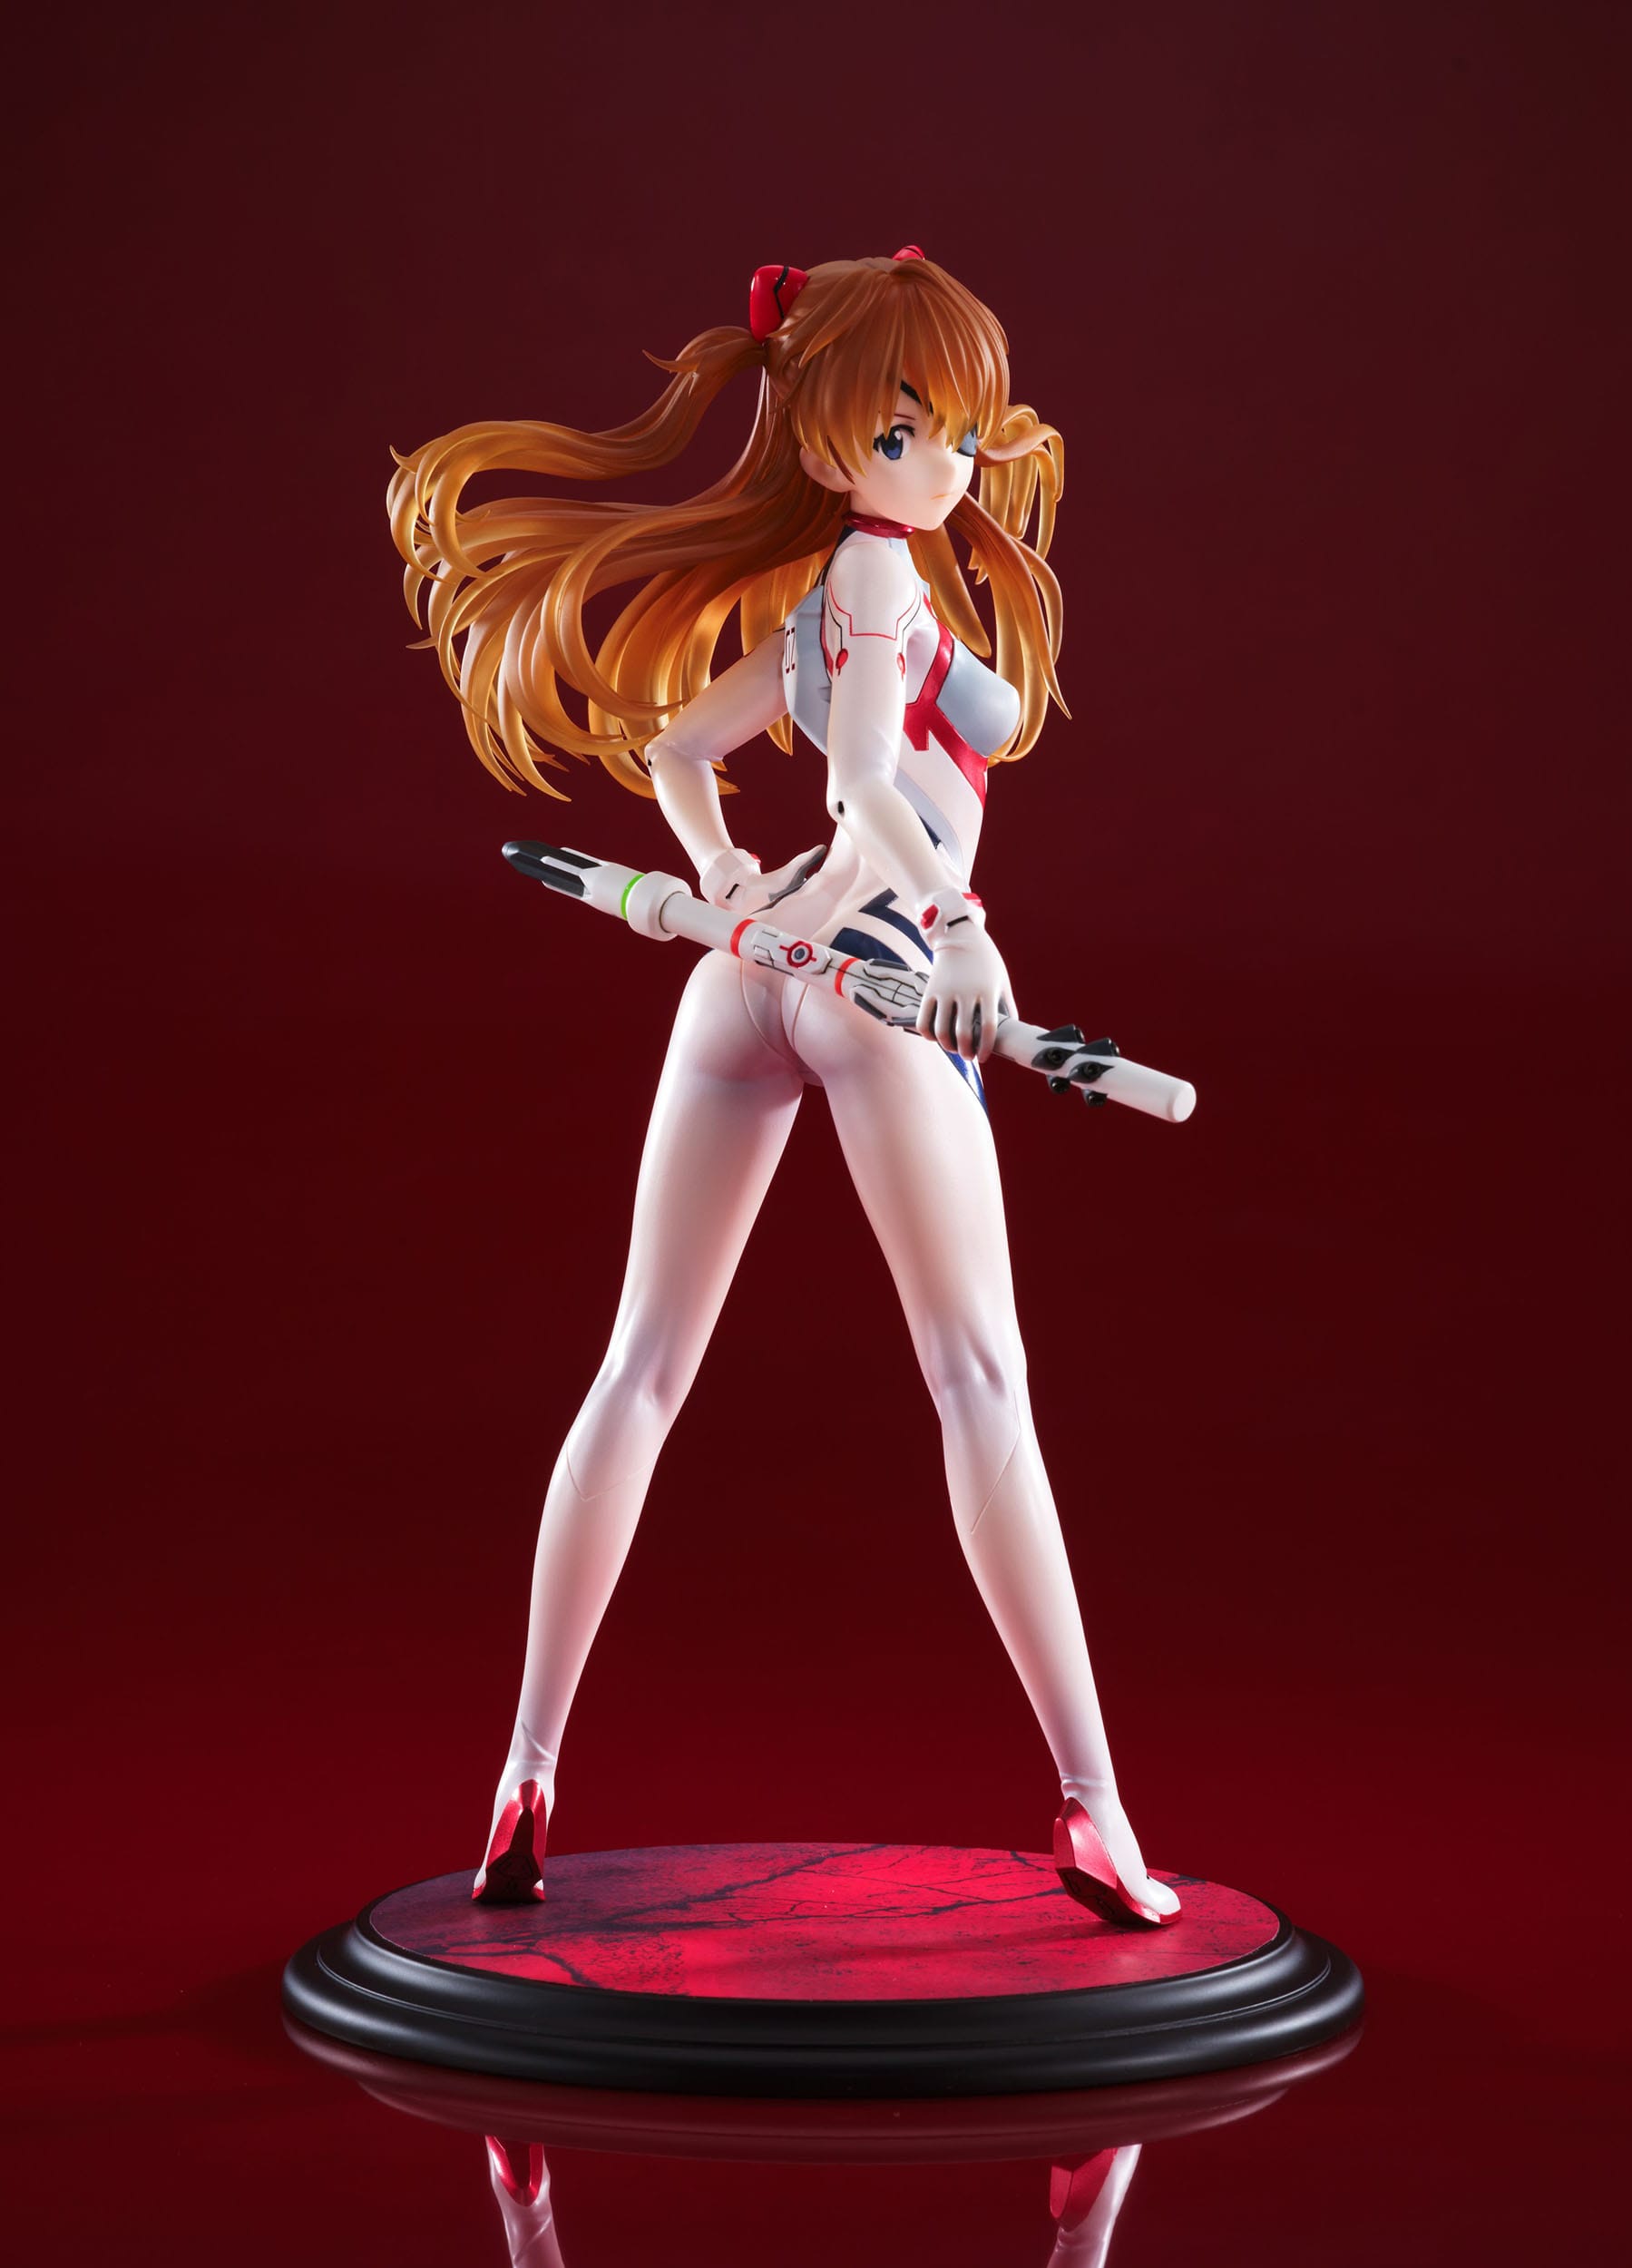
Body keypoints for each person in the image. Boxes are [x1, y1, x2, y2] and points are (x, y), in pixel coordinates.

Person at [388, 248, 1179, 1928]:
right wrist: (958, 922)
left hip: (749, 977)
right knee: (979, 1382)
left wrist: (727, 886)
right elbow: (871, 786)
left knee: (641, 1370)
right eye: (906, 432)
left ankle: (526, 1767)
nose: (943, 461)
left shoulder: (838, 590)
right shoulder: (874, 576)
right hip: (875, 974)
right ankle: (1096, 1810)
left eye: (953, 429)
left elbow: (677, 751)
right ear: (827, 442)